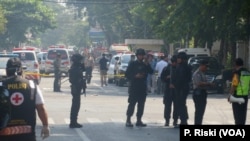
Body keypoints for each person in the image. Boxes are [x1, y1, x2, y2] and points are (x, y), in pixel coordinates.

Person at [0, 58, 50, 141]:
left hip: (4, 133)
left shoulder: (1, 85)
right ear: (21, 70)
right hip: (27, 133)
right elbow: (40, 108)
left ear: (6, 70)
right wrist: (45, 126)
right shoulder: (32, 85)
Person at [125, 48, 153, 127]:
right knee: (132, 104)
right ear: (137, 56)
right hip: (134, 86)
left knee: (141, 105)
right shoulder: (132, 64)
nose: (141, 56)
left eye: (142, 55)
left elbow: (151, 71)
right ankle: (128, 120)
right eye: (139, 55)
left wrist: (147, 62)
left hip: (142, 87)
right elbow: (127, 74)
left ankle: (139, 120)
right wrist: (135, 76)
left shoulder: (145, 64)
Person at [192, 59, 213, 125]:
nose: (206, 68)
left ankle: (199, 123)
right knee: (199, 111)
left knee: (201, 111)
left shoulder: (202, 73)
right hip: (198, 94)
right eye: (206, 66)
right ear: (202, 65)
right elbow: (199, 83)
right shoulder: (197, 73)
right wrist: (208, 84)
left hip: (203, 93)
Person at [229, 58, 250, 125]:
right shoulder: (247, 72)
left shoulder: (237, 73)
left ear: (235, 64)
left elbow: (234, 85)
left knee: (237, 117)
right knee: (243, 116)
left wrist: (230, 95)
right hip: (245, 96)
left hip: (237, 97)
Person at [161, 55, 179, 127]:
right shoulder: (166, 69)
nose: (175, 64)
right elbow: (162, 78)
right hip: (168, 90)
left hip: (176, 90)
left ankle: (175, 120)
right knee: (167, 106)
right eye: (173, 62)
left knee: (176, 106)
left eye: (176, 62)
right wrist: (167, 77)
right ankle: (167, 120)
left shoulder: (178, 69)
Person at [175, 52, 192, 125]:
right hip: (181, 87)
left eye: (179, 58)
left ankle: (183, 120)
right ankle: (183, 119)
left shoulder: (183, 67)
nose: (178, 59)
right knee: (181, 104)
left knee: (181, 104)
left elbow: (181, 78)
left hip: (182, 87)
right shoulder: (181, 66)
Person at [68, 53, 85, 128]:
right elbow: (74, 80)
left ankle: (74, 121)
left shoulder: (77, 67)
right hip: (76, 88)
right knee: (75, 105)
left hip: (77, 88)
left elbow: (84, 70)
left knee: (76, 105)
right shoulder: (75, 68)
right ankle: (73, 122)